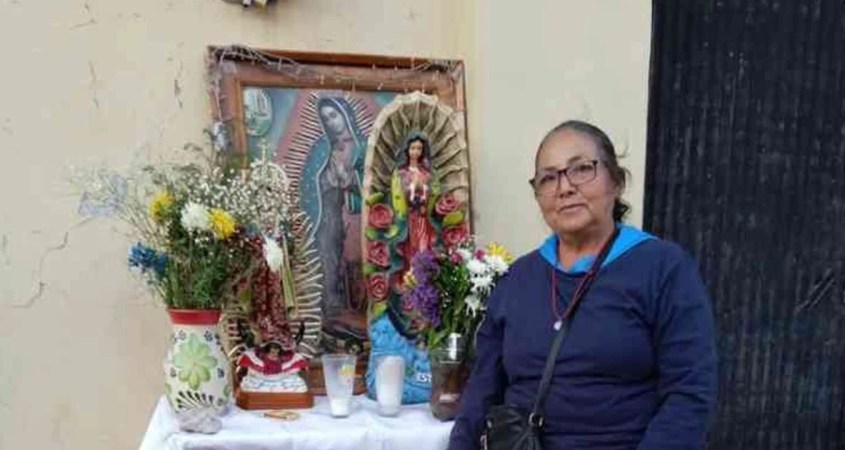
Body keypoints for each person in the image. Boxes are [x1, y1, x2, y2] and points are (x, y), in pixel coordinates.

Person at [448, 120, 717, 449]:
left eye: (581, 169)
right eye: (548, 178)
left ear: (616, 181)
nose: (564, 187)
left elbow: (689, 394)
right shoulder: (517, 280)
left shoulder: (663, 269)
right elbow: (481, 391)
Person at [394, 134, 436, 260]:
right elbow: (398, 193)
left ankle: (424, 268)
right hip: (409, 216)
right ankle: (411, 269)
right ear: (407, 150)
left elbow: (431, 191)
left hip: (422, 216)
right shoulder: (402, 172)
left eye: (419, 148)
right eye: (413, 148)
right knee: (411, 245)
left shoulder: (425, 172)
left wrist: (422, 187)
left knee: (423, 244)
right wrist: (412, 187)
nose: (416, 152)